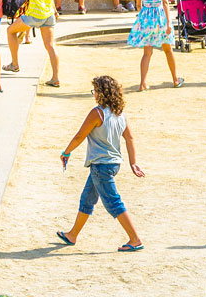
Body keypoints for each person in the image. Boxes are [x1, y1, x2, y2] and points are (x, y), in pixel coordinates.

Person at [56, 76, 145, 252]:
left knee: (113, 202)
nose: (94, 94)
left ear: (102, 93)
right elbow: (129, 138)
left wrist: (66, 152)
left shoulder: (97, 113)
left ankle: (135, 239)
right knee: (87, 199)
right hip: (113, 164)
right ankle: (72, 235)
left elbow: (79, 136)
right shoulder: (120, 114)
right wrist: (133, 163)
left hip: (101, 166)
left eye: (95, 91)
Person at [2, 0, 60, 87]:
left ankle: (14, 64)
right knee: (50, 46)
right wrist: (54, 10)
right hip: (48, 14)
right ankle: (55, 78)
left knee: (10, 31)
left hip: (35, 14)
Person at [127, 0, 183, 91]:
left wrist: (143, 15)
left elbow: (138, 4)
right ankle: (175, 79)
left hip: (146, 18)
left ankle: (142, 83)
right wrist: (168, 22)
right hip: (160, 18)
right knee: (168, 50)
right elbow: (165, 3)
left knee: (147, 53)